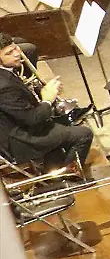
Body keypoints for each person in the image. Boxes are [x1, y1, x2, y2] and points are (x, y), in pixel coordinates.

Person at [0, 35, 93, 169]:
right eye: (9, 53)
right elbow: (34, 119)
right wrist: (47, 99)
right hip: (19, 140)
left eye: (15, 48)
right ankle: (70, 178)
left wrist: (47, 93)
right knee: (84, 134)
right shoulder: (4, 86)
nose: (17, 54)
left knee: (62, 120)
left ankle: (55, 162)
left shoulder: (5, 72)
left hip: (18, 126)